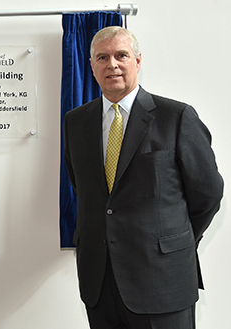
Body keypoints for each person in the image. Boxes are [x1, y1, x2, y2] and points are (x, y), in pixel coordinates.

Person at [63, 26, 224, 329]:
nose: (112, 64)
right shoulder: (75, 122)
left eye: (121, 55)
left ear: (137, 61)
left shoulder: (176, 117)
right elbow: (84, 189)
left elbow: (208, 194)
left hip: (163, 280)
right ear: (92, 67)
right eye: (102, 57)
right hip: (100, 282)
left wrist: (172, 241)